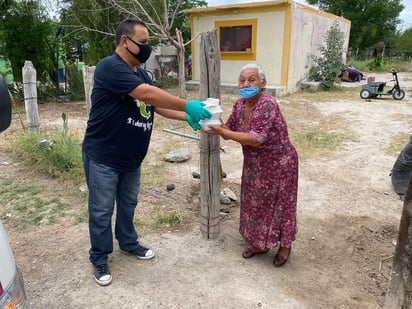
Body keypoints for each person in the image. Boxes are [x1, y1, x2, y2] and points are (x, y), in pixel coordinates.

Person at [82, 18, 211, 286]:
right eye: (143, 42)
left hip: (131, 157)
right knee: (102, 210)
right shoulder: (110, 67)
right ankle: (99, 255)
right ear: (124, 41)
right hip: (104, 156)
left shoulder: (140, 73)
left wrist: (183, 116)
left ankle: (128, 243)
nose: (147, 48)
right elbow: (146, 94)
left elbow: (153, 105)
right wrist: (188, 104)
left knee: (128, 204)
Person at [204, 63, 298, 267]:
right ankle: (260, 243)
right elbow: (229, 129)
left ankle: (284, 245)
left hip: (280, 164)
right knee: (255, 204)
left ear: (262, 83)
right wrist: (210, 118)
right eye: (242, 80)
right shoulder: (240, 105)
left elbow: (256, 138)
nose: (246, 83)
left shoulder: (267, 103)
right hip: (255, 166)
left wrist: (224, 133)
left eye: (251, 79)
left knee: (280, 206)